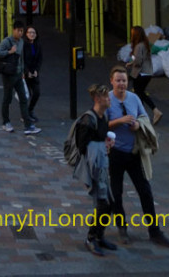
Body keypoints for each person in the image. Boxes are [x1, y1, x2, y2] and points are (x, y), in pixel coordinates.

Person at [106, 65, 169, 247]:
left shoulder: (134, 98)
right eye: (118, 80)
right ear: (111, 81)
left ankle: (155, 231)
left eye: (124, 80)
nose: (121, 83)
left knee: (145, 191)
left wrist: (137, 125)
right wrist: (119, 121)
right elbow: (100, 125)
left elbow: (145, 118)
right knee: (117, 193)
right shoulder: (106, 100)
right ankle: (122, 229)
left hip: (134, 152)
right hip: (115, 154)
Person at [76, 83, 117, 256]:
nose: (109, 99)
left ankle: (99, 236)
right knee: (103, 203)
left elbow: (101, 137)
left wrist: (106, 143)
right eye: (107, 96)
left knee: (109, 202)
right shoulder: (88, 120)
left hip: (102, 162)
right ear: (98, 99)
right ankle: (91, 238)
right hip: (94, 166)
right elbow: (81, 146)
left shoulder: (104, 116)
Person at [0, 19, 41, 135]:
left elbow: (21, 58)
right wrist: (9, 52)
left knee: (23, 99)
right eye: (18, 31)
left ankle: (28, 125)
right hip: (8, 75)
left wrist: (22, 73)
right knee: (7, 98)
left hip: (18, 75)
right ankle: (6, 122)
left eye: (22, 31)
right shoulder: (7, 41)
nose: (20, 33)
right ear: (14, 30)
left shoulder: (21, 42)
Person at [127, 25, 162, 125]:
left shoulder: (138, 46)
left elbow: (138, 61)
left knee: (139, 93)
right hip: (147, 73)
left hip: (140, 73)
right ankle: (143, 116)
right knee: (140, 93)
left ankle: (153, 111)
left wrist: (131, 64)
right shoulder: (145, 44)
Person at [23, 25, 43, 121]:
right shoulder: (23, 45)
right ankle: (25, 114)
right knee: (26, 95)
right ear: (26, 34)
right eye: (30, 32)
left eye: (33, 33)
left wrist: (36, 70)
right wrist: (27, 72)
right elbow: (22, 60)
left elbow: (40, 59)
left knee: (37, 92)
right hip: (25, 73)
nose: (32, 34)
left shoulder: (37, 45)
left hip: (34, 73)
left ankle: (30, 110)